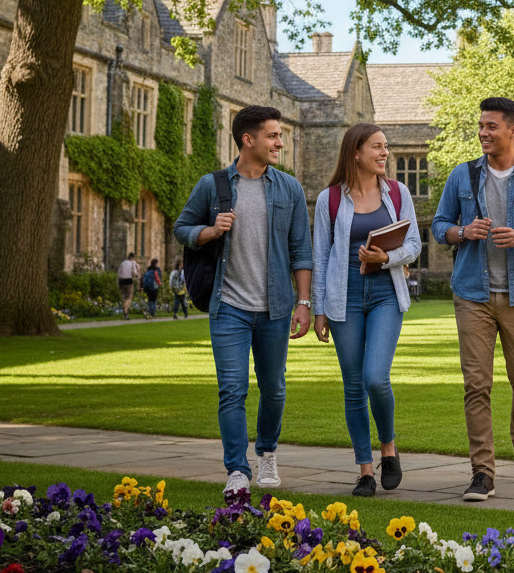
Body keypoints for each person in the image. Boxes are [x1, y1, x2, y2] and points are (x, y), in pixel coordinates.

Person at [174, 105, 314, 496]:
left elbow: (302, 250)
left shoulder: (289, 188)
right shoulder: (213, 186)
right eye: (273, 136)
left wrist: (304, 302)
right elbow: (181, 228)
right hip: (229, 306)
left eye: (280, 135)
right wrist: (208, 231)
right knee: (232, 389)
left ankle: (266, 452)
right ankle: (236, 470)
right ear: (247, 140)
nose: (280, 142)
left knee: (275, 389)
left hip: (275, 307)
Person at [431, 97, 514, 501]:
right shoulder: (462, 176)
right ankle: (482, 472)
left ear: (513, 131)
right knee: (476, 385)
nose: (484, 132)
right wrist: (461, 232)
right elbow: (439, 226)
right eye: (481, 126)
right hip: (472, 293)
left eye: (492, 126)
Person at [310, 123, 421, 497]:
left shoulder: (396, 192)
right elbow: (321, 256)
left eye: (386, 146)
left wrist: (386, 256)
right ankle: (364, 470)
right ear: (356, 152)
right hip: (345, 296)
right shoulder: (329, 199)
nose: (384, 152)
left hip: (386, 292)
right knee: (353, 386)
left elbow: (415, 244)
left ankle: (388, 448)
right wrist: (319, 310)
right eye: (377, 146)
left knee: (376, 377)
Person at [117, 252, 138, 319]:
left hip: (121, 281)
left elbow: (119, 273)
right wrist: (136, 276)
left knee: (124, 297)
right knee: (129, 298)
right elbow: (135, 273)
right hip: (128, 280)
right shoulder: (132, 263)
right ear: (132, 257)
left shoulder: (122, 263)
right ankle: (126, 313)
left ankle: (125, 312)